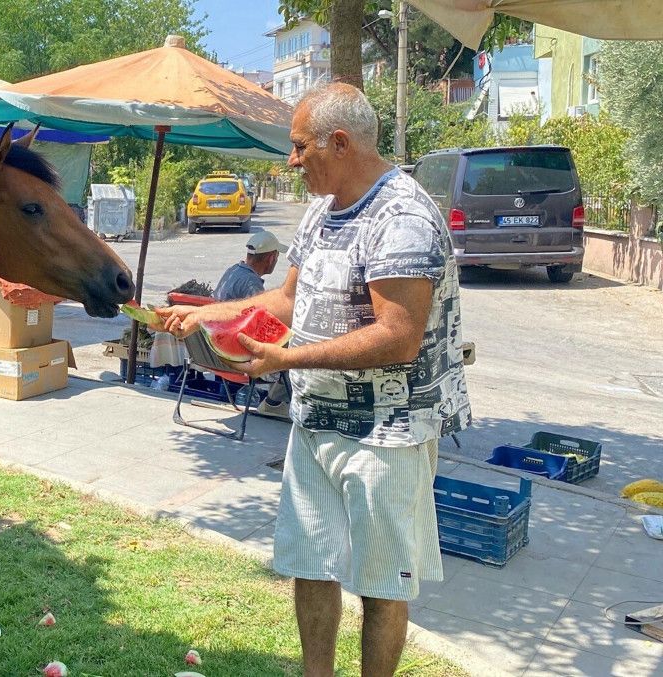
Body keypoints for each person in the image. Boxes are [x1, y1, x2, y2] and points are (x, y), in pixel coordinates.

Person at [154, 83, 470, 677]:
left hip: (387, 434)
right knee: (312, 564)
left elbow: (397, 337)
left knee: (382, 581)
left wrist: (286, 361)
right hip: (316, 422)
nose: (291, 160)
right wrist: (206, 314)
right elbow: (287, 298)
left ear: (341, 142)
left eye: (300, 147)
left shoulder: (402, 216)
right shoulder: (323, 209)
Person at [212, 230, 292, 420]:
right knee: (295, 350)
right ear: (272, 258)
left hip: (212, 352)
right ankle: (273, 403)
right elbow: (264, 320)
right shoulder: (251, 284)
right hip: (237, 355)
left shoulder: (233, 271)